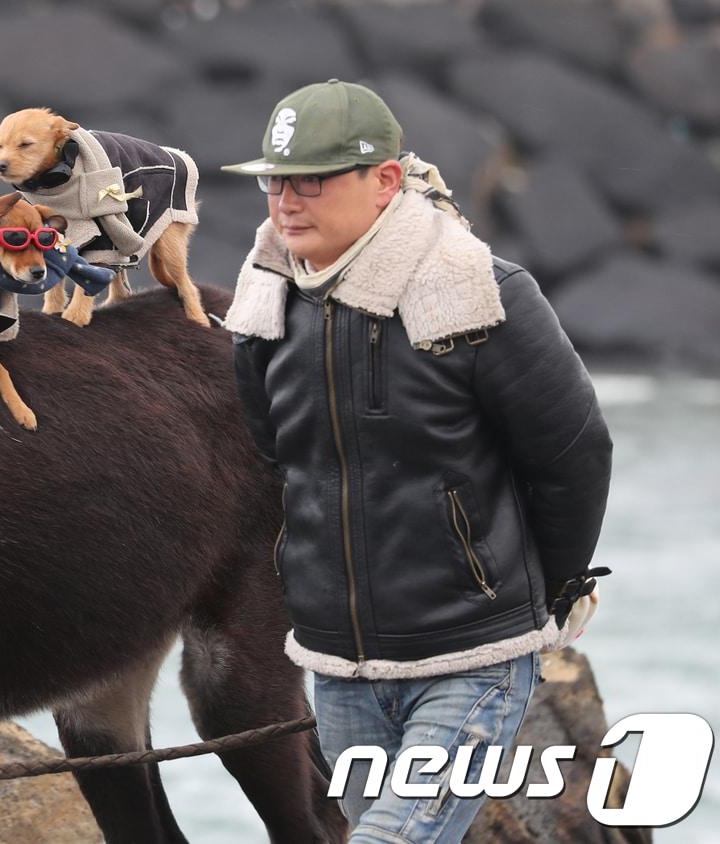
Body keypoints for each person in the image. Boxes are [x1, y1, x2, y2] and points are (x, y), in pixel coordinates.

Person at [221, 79, 613, 842]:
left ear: (386, 181)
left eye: (312, 180)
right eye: (275, 180)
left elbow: (574, 454)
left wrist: (549, 592)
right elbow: (279, 457)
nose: (286, 201)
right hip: (338, 668)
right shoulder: (265, 305)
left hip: (474, 657)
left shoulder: (481, 294)